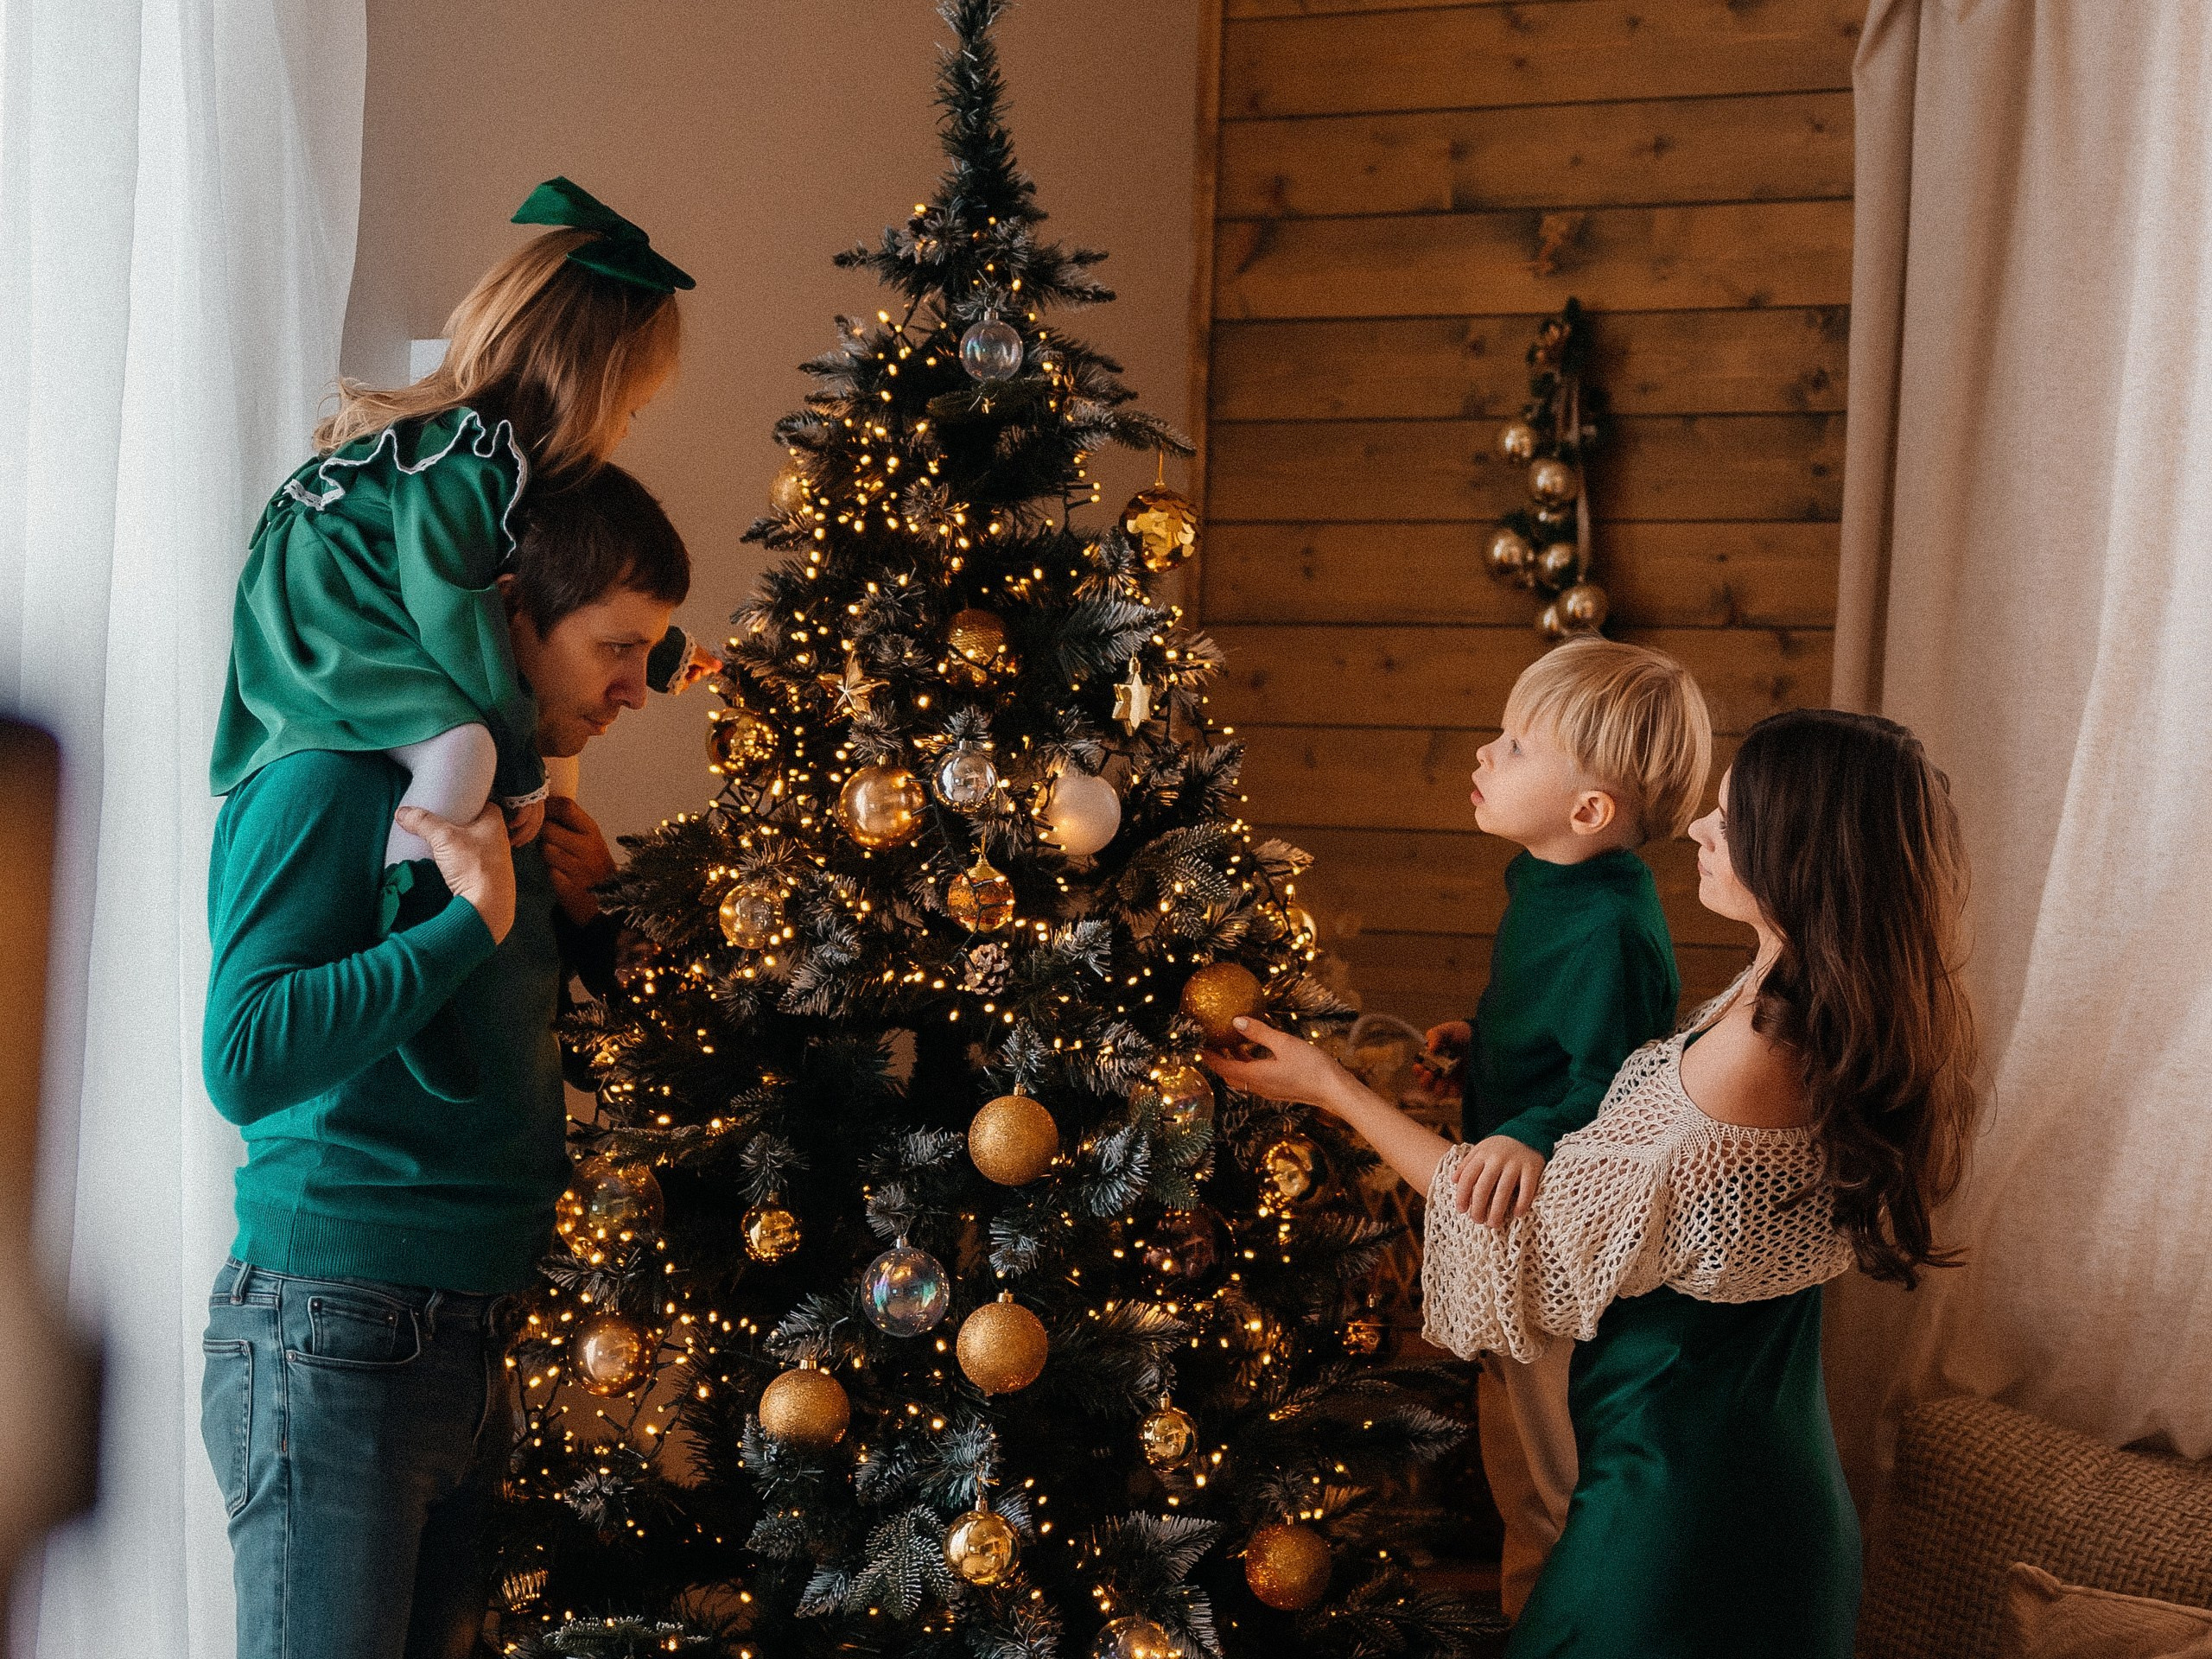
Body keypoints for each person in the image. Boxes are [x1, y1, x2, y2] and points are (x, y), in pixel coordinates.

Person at [1209, 708, 1978, 1657]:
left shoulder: (1756, 1052)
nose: (1697, 827)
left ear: (1801, 855)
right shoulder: (1796, 998)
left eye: (1730, 822)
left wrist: (1329, 1087)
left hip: (1679, 1510)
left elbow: (1517, 1232)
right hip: (1743, 1471)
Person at [197, 463, 691, 1659]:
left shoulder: (517, 809)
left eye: (655, 656)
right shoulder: (325, 774)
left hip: (471, 1333)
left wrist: (598, 930)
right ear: (516, 611)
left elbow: (497, 1049)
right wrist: (463, 925)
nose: (639, 690)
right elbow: (245, 1054)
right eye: (616, 650)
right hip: (335, 1332)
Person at [1413, 638, 1713, 1616]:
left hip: (1553, 1234)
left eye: (1513, 745)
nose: (1483, 756)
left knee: (1545, 1474)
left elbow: (1617, 1087)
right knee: (1507, 1444)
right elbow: (1549, 1016)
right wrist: (1482, 1035)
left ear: (1589, 811)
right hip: (1505, 1213)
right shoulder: (1547, 878)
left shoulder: (1612, 928)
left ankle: (1554, 1625)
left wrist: (1529, 1130)